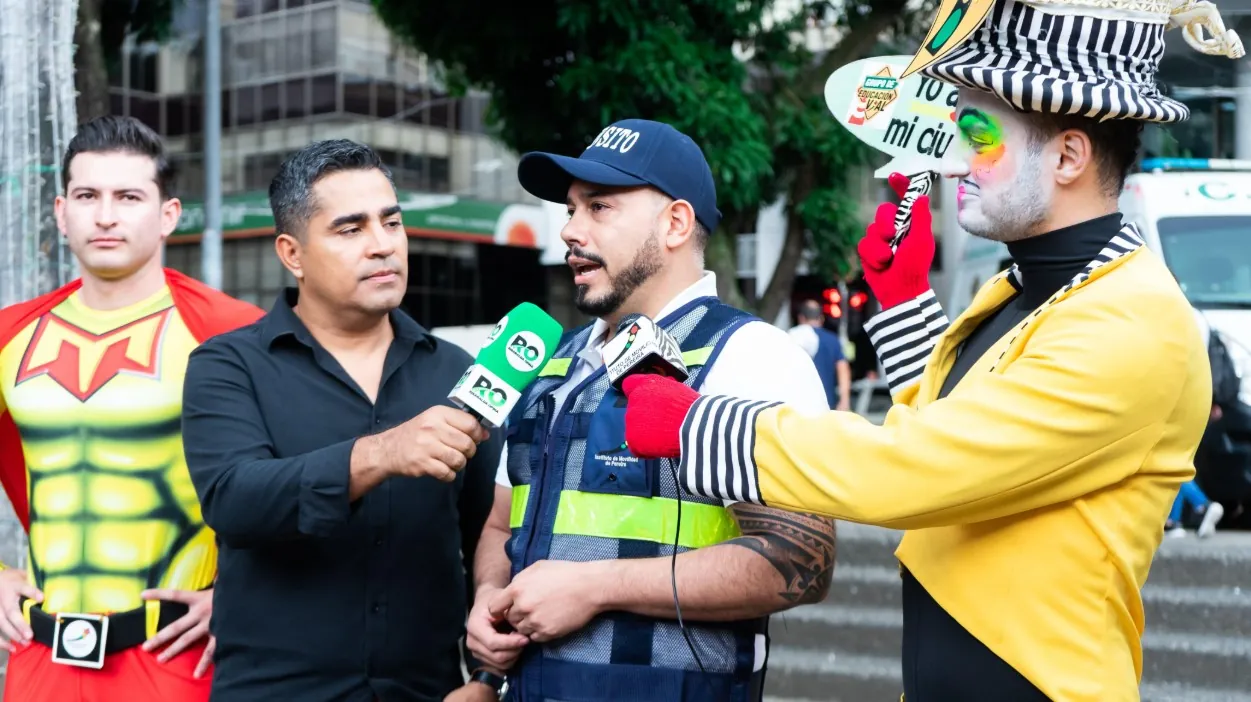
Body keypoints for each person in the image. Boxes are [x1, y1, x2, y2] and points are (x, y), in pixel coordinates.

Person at [618, 2, 1244, 700]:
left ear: (1068, 155)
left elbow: (922, 471)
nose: (952, 164)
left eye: (976, 134)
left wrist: (698, 425)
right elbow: (956, 434)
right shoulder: (1017, 293)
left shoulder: (1134, 320)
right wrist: (904, 301)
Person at [463, 119, 837, 702]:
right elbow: (499, 523)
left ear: (675, 223)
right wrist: (490, 610)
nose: (570, 230)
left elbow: (801, 562)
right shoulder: (550, 363)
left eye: (599, 208)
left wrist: (596, 587)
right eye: (569, 210)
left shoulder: (753, 356)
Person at [180, 139, 503, 702]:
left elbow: (492, 538)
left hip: (427, 691)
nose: (382, 246)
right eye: (350, 229)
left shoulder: (457, 372)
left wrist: (486, 680)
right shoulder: (228, 364)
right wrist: (379, 453)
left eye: (392, 222)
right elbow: (234, 501)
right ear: (292, 253)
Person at [0, 115, 264, 701]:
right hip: (39, 659)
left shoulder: (232, 333)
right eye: (88, 195)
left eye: (128, 196)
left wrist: (245, 595)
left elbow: (302, 481)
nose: (106, 215)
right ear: (60, 209)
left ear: (168, 213)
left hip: (176, 660)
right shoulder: (9, 336)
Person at [787, 300, 851, 410]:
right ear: (821, 318)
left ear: (801, 318)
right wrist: (844, 400)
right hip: (826, 402)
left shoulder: (791, 336)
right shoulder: (832, 340)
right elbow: (843, 369)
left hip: (797, 404)